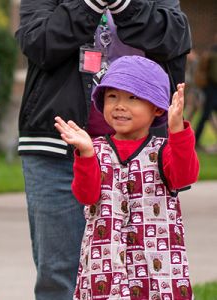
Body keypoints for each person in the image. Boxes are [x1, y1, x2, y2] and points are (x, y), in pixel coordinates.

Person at [15, 1, 190, 297]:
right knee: (58, 275)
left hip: (145, 152)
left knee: (149, 273)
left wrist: (125, 6)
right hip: (56, 146)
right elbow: (38, 43)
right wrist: (89, 4)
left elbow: (174, 36)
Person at [55, 56, 199, 299]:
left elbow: (185, 176)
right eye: (113, 96)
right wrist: (86, 154)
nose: (120, 105)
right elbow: (86, 195)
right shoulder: (95, 148)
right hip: (105, 266)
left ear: (156, 107)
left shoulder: (163, 150)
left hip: (157, 270)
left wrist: (177, 131)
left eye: (132, 97)